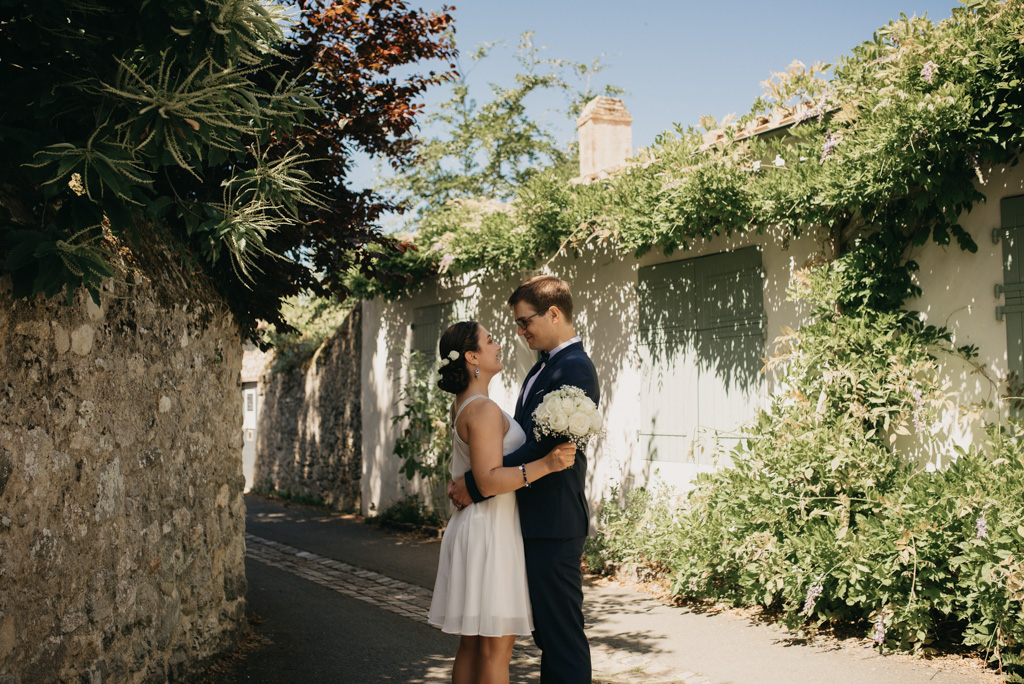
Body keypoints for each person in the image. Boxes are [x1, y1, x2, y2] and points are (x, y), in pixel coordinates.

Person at [449, 275, 600, 684]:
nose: (519, 331)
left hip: (552, 522)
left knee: (560, 637)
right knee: (545, 636)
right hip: (523, 521)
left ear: (553, 313)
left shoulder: (574, 369)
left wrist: (478, 482)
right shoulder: (542, 367)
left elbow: (545, 448)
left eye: (524, 321)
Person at [428, 320, 577, 684]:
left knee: (472, 646)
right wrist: (547, 463)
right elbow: (489, 479)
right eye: (490, 341)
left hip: (477, 529)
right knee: (496, 652)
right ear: (472, 356)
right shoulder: (483, 410)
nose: (499, 345)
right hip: (490, 534)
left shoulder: (467, 405)